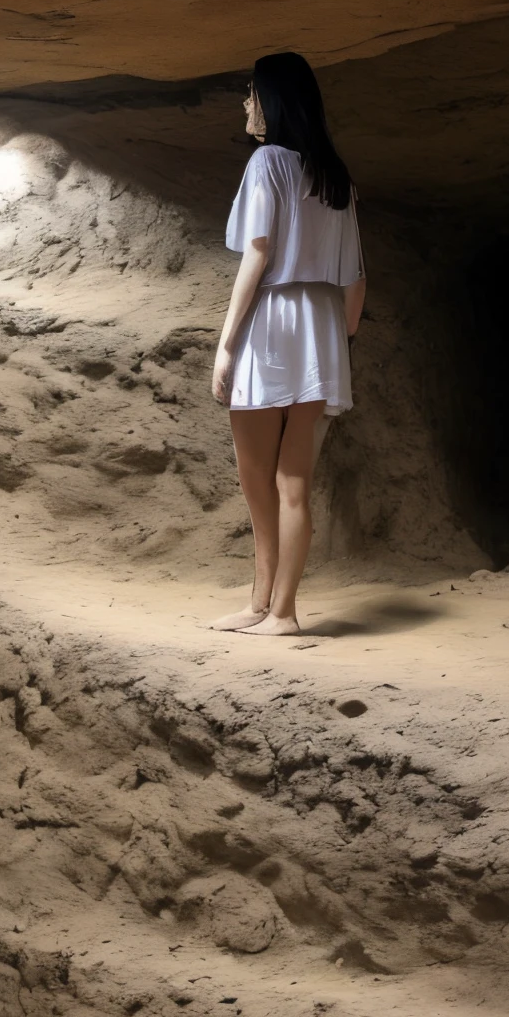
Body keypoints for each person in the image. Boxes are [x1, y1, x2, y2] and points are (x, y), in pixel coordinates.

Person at [208, 52, 367, 635]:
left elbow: (258, 253)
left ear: (272, 99)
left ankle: (263, 603)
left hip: (274, 320)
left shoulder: (267, 162)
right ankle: (280, 611)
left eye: (251, 93)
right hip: (320, 324)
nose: (246, 104)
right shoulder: (337, 177)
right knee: (294, 482)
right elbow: (354, 277)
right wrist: (337, 342)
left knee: (258, 484)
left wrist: (226, 344)